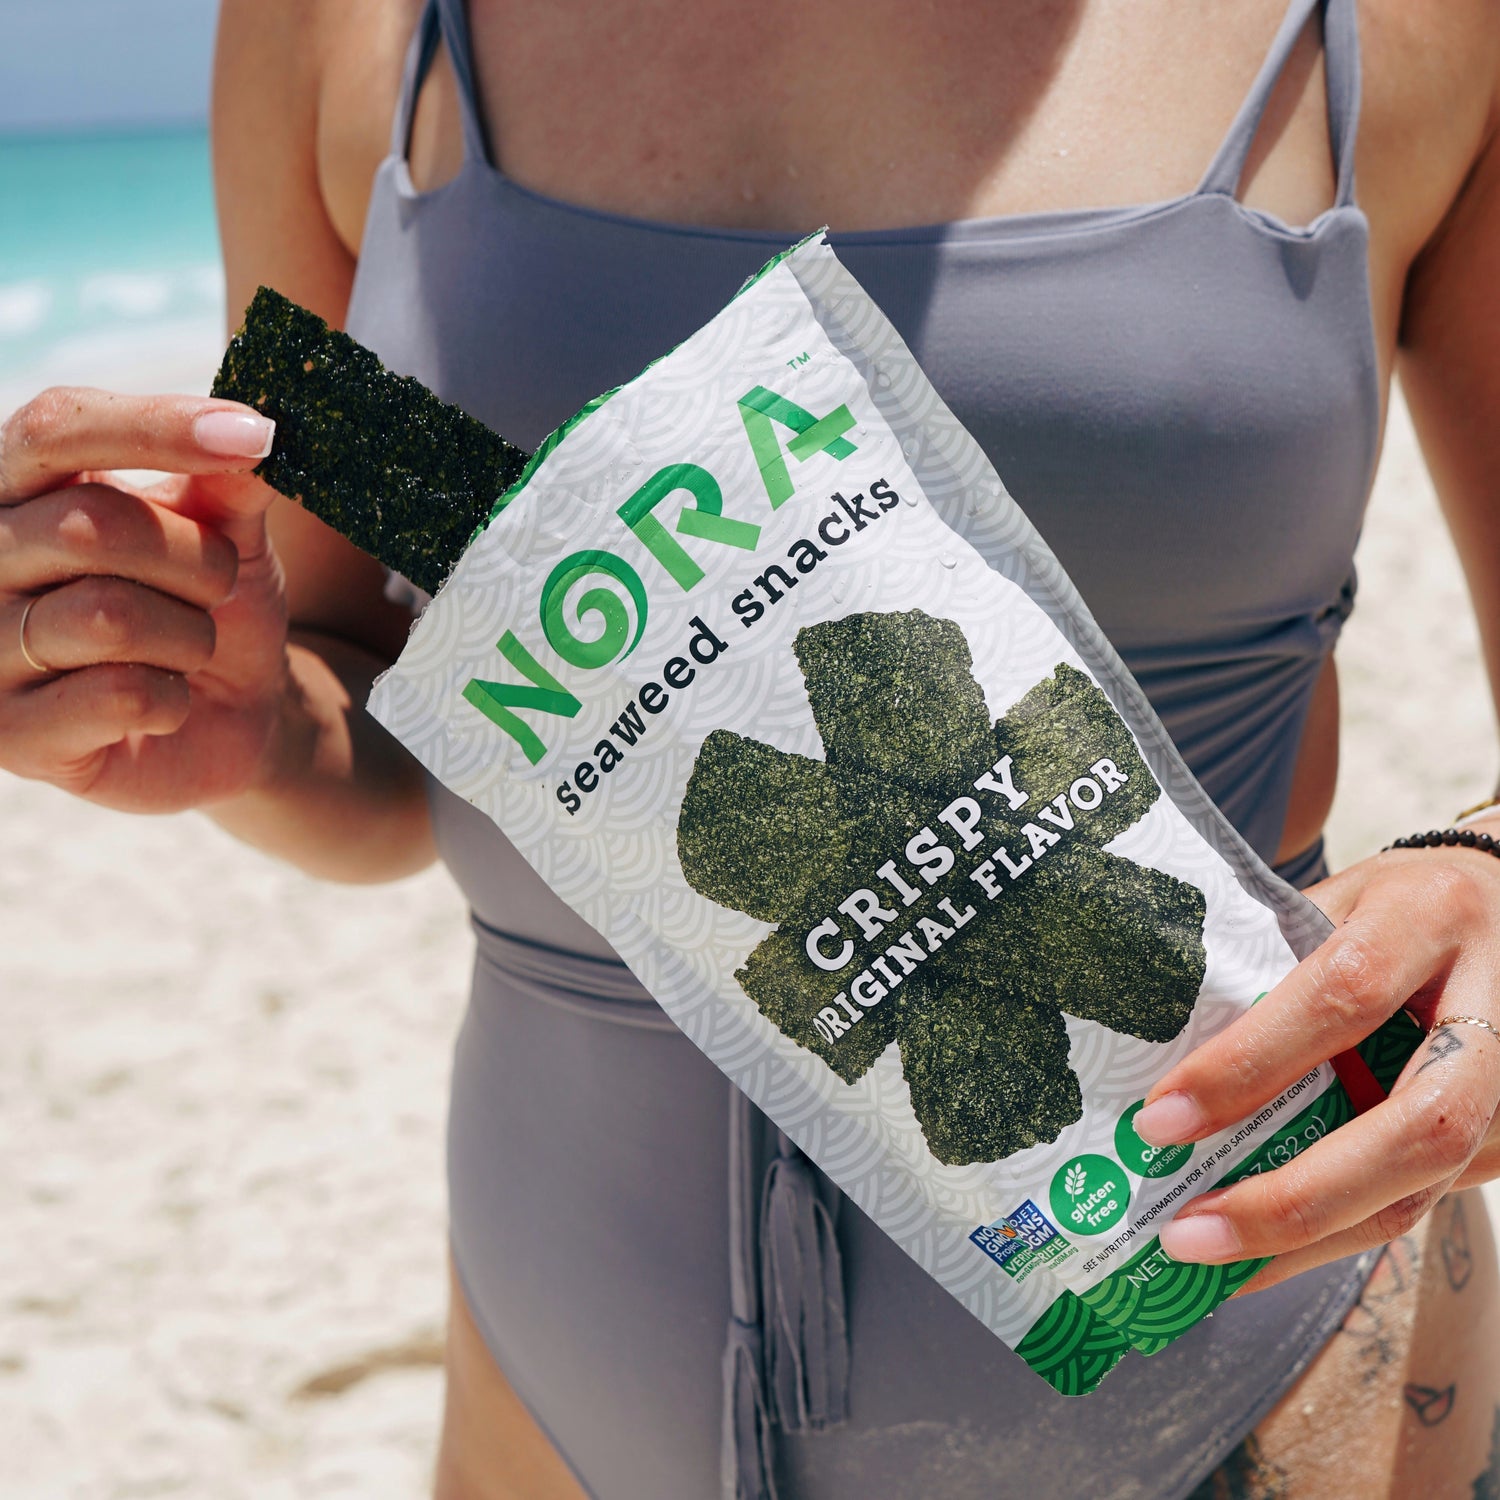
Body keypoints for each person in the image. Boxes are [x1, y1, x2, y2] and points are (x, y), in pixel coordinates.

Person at [3, 0, 1499, 1493]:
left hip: (1247, 1349)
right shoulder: (339, 26)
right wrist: (235, 722)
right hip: (556, 1385)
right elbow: (373, 688)